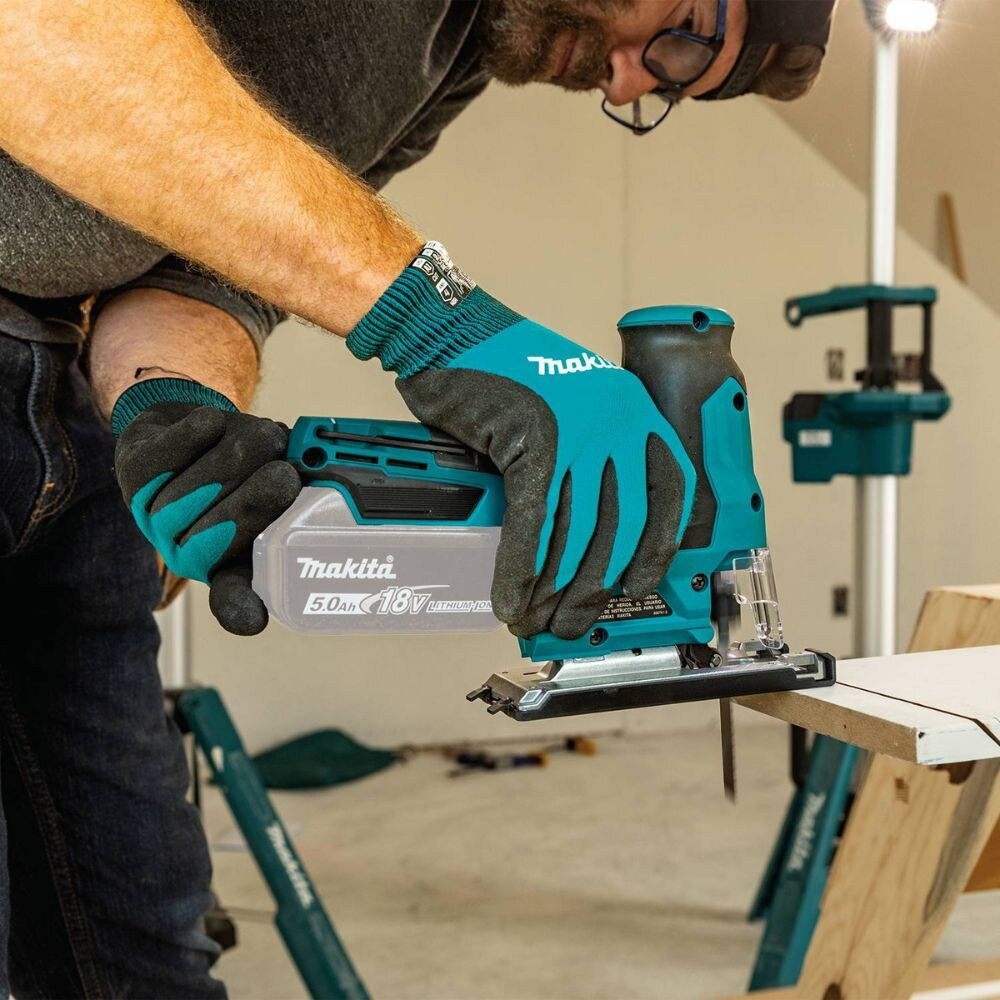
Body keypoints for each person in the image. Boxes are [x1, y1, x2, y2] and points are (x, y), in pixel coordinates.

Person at [0, 0, 836, 993]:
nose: (623, 80)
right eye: (686, 35)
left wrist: (168, 404)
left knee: (135, 954)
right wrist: (435, 318)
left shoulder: (458, 56)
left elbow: (209, 269)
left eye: (664, 88)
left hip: (57, 408)